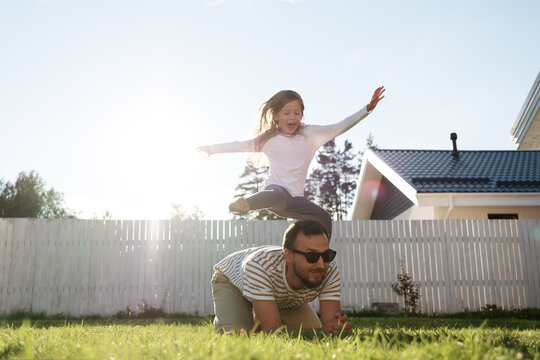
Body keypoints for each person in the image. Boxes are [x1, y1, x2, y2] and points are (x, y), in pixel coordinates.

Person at [197, 86, 385, 237]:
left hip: (296, 201)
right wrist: (212, 149)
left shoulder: (310, 135)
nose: (292, 117)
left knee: (323, 216)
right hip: (276, 193)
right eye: (287, 113)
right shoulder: (268, 139)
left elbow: (341, 126)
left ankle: (322, 254)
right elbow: (239, 145)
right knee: (277, 194)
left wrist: (367, 108)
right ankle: (245, 204)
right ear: (276, 116)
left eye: (297, 112)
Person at [210, 219, 351, 334]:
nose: (321, 264)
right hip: (232, 281)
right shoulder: (259, 266)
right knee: (238, 335)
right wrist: (321, 331)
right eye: (312, 256)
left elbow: (332, 327)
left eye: (326, 255)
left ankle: (260, 317)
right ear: (288, 255)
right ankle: (227, 317)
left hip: (283, 296)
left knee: (312, 333)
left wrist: (335, 329)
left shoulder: (329, 270)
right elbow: (273, 331)